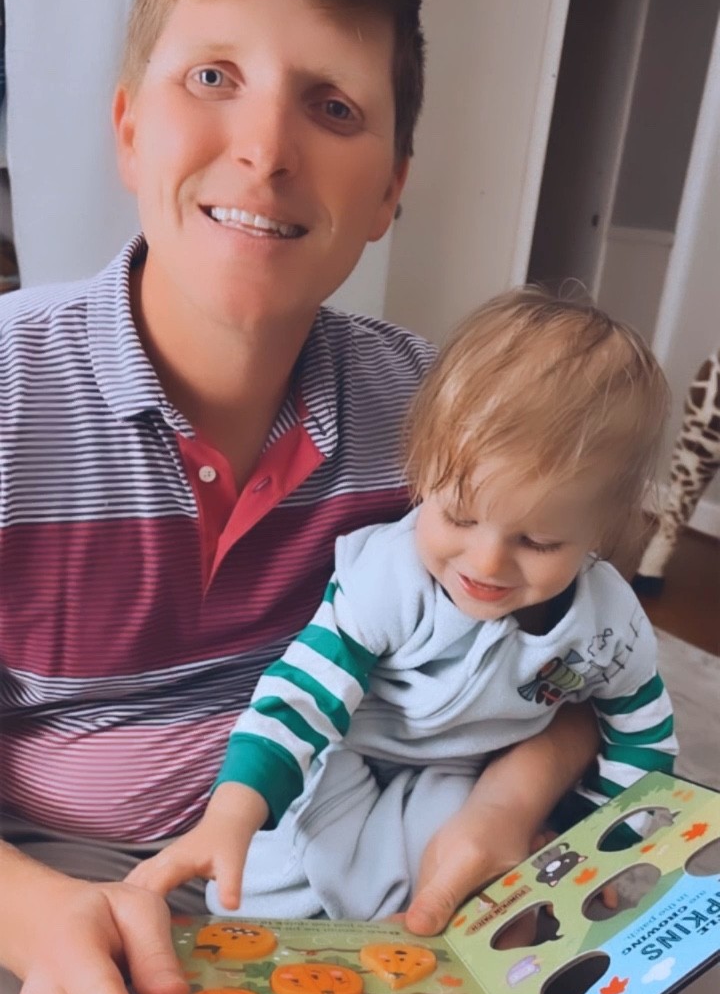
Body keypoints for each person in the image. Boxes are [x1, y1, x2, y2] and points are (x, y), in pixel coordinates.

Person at [0, 0, 717, 994]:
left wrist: (518, 798)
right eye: (212, 76)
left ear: (390, 189)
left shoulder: (453, 420)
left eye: (331, 107)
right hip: (82, 871)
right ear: (125, 124)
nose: (264, 148)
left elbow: (568, 664)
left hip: (397, 816)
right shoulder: (11, 394)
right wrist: (37, 915)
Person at [129, 289, 678, 924]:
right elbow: (301, 698)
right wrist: (231, 810)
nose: (486, 563)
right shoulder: (390, 576)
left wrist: (604, 847)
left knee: (470, 890)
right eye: (459, 516)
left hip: (466, 776)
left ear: (600, 532)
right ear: (421, 476)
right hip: (351, 751)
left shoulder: (611, 624)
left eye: (538, 541)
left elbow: (643, 735)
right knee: (270, 880)